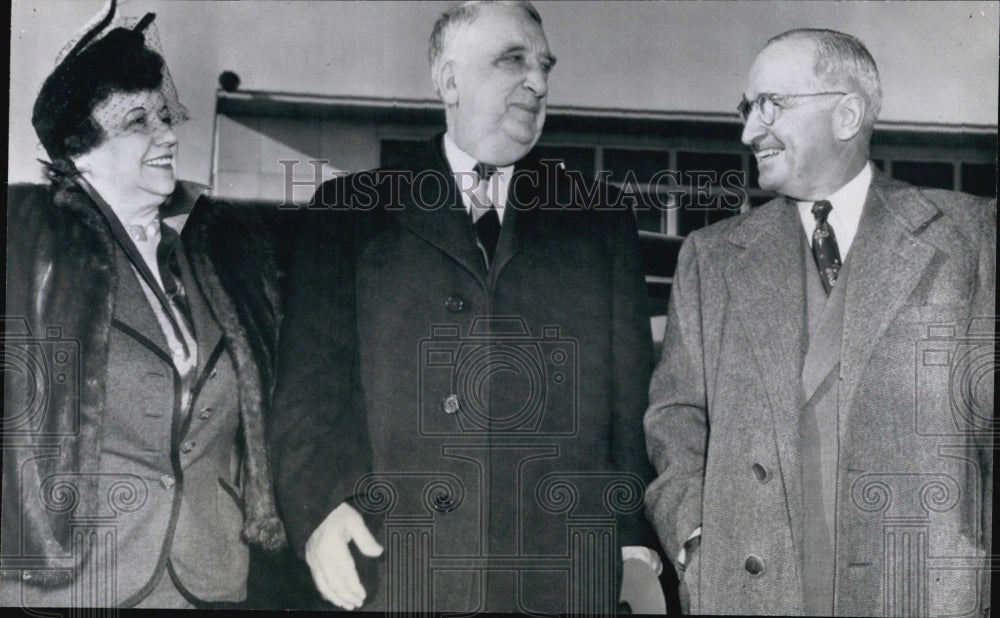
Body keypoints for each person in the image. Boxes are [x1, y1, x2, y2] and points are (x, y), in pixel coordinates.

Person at [270, 0, 660, 612]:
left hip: (560, 578)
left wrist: (635, 549)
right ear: (449, 80)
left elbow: (630, 401)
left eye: (545, 66)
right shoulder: (350, 212)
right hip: (394, 568)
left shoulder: (598, 218)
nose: (538, 82)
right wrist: (320, 510)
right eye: (513, 60)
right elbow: (308, 391)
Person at [644, 28, 994, 616]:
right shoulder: (710, 257)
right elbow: (674, 417)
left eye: (770, 105)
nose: (749, 130)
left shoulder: (970, 237)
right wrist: (693, 540)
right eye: (747, 108)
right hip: (749, 591)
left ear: (847, 114)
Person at [2, 1, 285, 608]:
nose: (168, 134)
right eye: (138, 122)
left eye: (164, 115)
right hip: (72, 586)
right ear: (79, 151)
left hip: (208, 577)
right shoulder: (24, 246)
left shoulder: (219, 254)